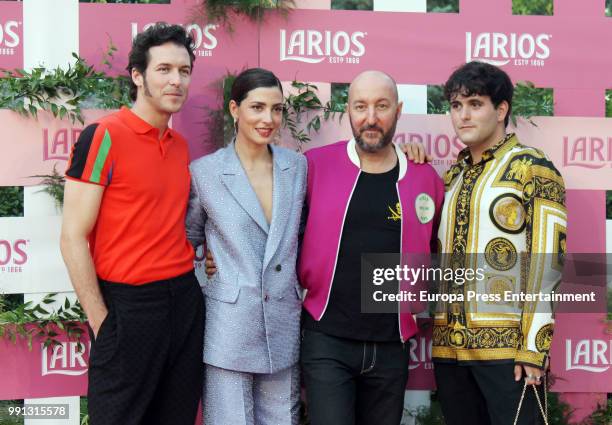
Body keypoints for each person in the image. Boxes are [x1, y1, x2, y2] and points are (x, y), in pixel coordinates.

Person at [60, 23, 203, 425]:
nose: (176, 80)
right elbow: (72, 236)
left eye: (184, 70)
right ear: (138, 76)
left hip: (184, 301)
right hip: (128, 307)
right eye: (164, 69)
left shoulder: (181, 147)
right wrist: (101, 321)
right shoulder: (103, 136)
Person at [298, 70, 444, 425]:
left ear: (398, 109)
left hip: (392, 345)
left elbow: (438, 250)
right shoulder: (315, 165)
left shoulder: (426, 177)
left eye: (382, 106)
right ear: (348, 110)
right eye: (361, 106)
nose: (371, 118)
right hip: (326, 339)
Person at [433, 61, 567, 425]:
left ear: (501, 109)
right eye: (456, 106)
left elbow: (548, 263)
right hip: (449, 351)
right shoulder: (452, 177)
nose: (463, 115)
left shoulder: (532, 167)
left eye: (475, 104)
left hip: (509, 356)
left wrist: (533, 349)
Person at [186, 68, 307, 425]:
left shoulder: (297, 167)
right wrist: (207, 273)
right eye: (257, 107)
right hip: (228, 327)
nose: (268, 119)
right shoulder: (204, 172)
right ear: (235, 109)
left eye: (277, 109)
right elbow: (187, 240)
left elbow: (302, 236)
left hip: (284, 323)